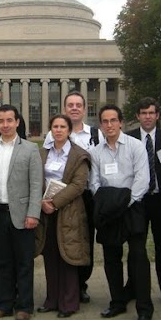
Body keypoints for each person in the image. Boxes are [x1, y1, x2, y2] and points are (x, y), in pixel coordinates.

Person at [89, 104, 153, 320]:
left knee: (138, 258)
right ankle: (117, 302)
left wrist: (125, 202)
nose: (109, 125)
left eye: (113, 120)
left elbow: (142, 180)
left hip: (132, 208)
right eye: (105, 121)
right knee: (111, 258)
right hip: (108, 211)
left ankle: (144, 309)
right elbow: (94, 183)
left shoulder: (136, 147)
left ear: (121, 122)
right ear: (100, 125)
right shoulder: (96, 152)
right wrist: (109, 204)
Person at [0, 105, 42, 320]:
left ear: (17, 122)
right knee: (1, 262)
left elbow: (36, 184)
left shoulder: (30, 149)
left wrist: (34, 213)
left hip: (23, 214)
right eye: (1, 121)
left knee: (24, 262)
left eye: (9, 120)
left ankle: (24, 306)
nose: (5, 125)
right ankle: (3, 304)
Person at [43, 91, 103, 303]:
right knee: (57, 244)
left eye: (79, 105)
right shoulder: (50, 140)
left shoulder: (95, 134)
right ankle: (60, 291)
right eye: (70, 105)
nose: (75, 108)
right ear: (65, 108)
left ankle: (81, 285)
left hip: (84, 195)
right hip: (52, 200)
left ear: (84, 109)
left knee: (82, 242)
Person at [36, 114, 90, 318]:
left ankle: (69, 303)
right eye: (55, 127)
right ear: (50, 130)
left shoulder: (79, 155)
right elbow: (35, 178)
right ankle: (51, 300)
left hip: (69, 211)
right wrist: (42, 202)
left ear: (69, 130)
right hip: (45, 211)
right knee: (50, 255)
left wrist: (55, 203)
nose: (58, 130)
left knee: (67, 256)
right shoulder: (42, 153)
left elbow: (78, 185)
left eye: (62, 127)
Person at [126, 98, 161, 307]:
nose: (147, 116)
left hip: (159, 200)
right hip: (137, 201)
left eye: (151, 113)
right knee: (135, 248)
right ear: (137, 116)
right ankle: (133, 288)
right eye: (143, 113)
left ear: (157, 115)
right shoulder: (128, 139)